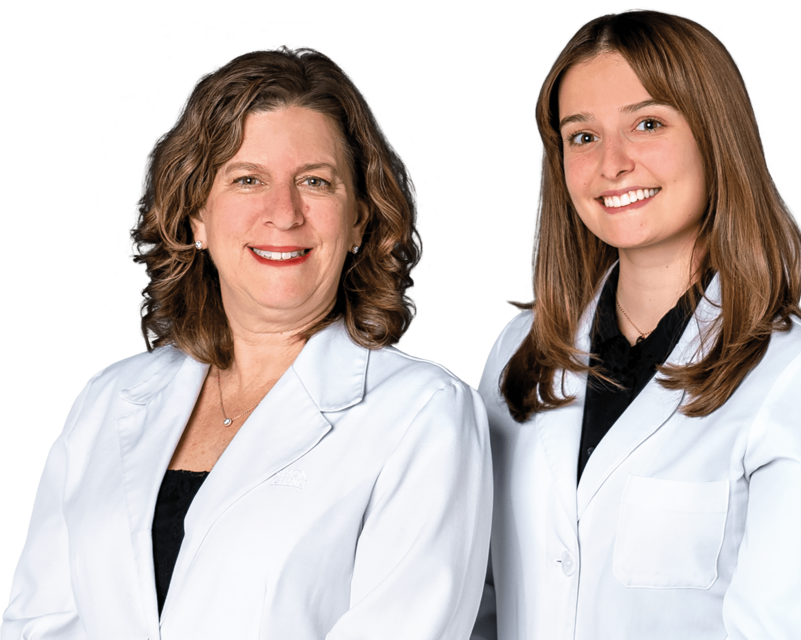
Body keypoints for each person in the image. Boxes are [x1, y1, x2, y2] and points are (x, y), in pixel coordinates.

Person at [2, 45, 492, 640]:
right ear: (197, 218)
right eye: (247, 179)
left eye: (315, 181)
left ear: (359, 221)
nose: (283, 213)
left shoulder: (425, 414)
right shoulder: (108, 400)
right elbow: (43, 623)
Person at [471, 8, 801, 640]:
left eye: (648, 124)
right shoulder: (519, 353)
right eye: (583, 136)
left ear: (714, 137)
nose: (612, 163)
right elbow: (476, 599)